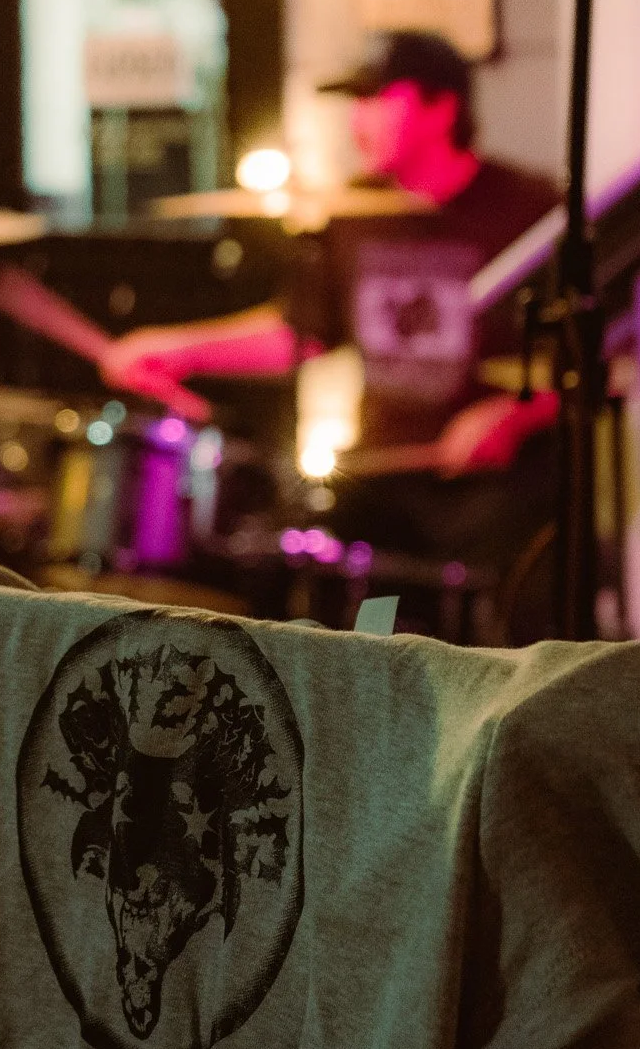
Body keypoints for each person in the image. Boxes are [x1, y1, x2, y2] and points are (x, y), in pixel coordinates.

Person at [105, 31, 561, 629]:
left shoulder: (529, 211)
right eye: (352, 103)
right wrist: (172, 350)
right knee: (355, 622)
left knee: (489, 636)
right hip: (384, 483)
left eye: (374, 100)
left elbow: (609, 355)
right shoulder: (354, 215)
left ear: (441, 106)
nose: (356, 122)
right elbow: (302, 335)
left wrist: (517, 414)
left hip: (498, 495)